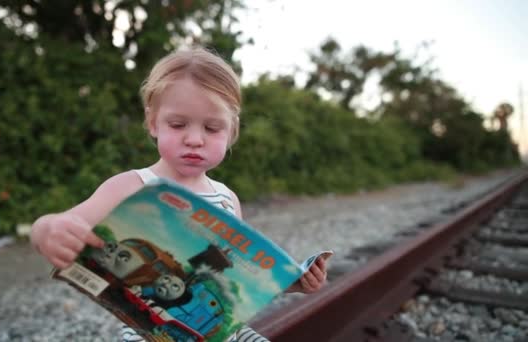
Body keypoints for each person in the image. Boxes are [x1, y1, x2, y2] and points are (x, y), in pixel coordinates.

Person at [30, 46, 328, 342]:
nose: (195, 139)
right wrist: (47, 231)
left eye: (212, 128)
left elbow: (233, 275)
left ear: (232, 132)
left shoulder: (226, 198)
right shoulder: (131, 185)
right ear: (152, 122)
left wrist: (290, 283)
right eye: (177, 124)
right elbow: (63, 223)